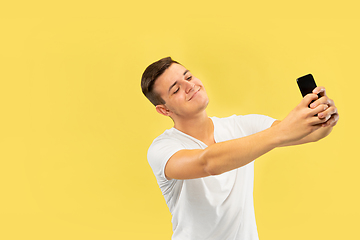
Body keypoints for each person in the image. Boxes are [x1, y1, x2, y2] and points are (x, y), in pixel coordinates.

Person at [141, 57, 339, 240]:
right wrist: (282, 131)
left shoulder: (241, 126)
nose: (190, 86)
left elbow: (311, 134)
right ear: (164, 110)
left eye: (189, 76)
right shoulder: (162, 149)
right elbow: (208, 162)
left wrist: (324, 120)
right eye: (176, 89)